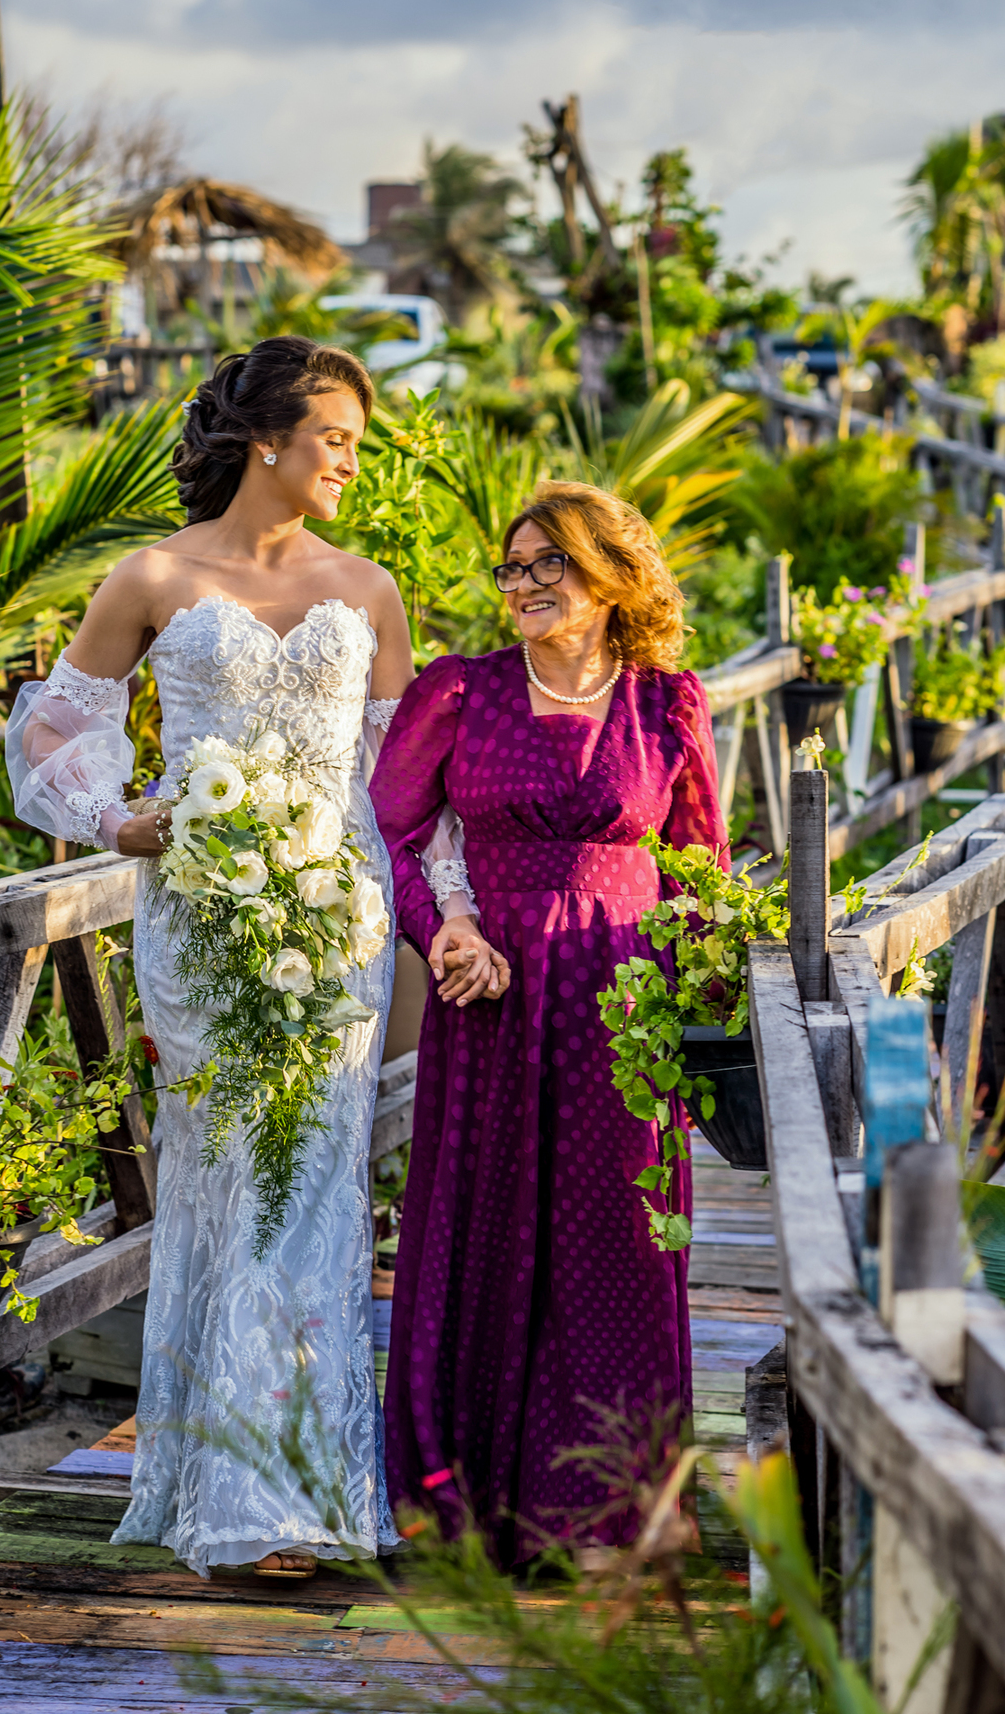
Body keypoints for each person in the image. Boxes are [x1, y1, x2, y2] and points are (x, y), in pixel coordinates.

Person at [6, 337, 431, 1580]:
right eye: (338, 438)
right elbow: (52, 736)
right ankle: (224, 1481)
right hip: (200, 917)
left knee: (315, 1189)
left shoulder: (371, 588)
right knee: (225, 1178)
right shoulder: (150, 576)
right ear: (269, 442)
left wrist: (439, 919)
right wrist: (118, 822)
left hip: (337, 917)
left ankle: (298, 1483)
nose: (352, 459)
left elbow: (401, 787)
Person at [369, 480, 729, 1569]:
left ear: (610, 578)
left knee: (614, 1244)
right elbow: (392, 833)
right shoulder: (461, 691)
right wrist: (442, 932)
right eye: (512, 568)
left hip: (624, 1006)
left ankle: (610, 1517)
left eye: (547, 566)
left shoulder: (668, 703)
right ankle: (464, 1509)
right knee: (477, 1236)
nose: (521, 586)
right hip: (491, 996)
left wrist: (699, 1007)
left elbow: (701, 870)